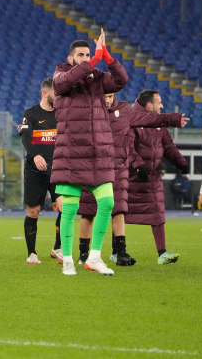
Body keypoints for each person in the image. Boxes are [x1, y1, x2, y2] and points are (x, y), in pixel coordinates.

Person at [77, 92, 186, 267]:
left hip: (119, 169)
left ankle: (120, 252)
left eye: (111, 96)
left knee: (119, 209)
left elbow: (155, 127)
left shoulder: (124, 112)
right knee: (89, 211)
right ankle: (83, 254)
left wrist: (173, 120)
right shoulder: (87, 111)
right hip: (94, 168)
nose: (108, 99)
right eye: (105, 96)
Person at [52, 30, 128, 276]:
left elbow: (121, 81)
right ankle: (67, 260)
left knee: (107, 203)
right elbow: (65, 82)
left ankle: (94, 256)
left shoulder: (97, 78)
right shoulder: (60, 76)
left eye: (88, 54)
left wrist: (107, 57)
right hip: (72, 154)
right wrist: (93, 61)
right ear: (70, 58)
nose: (86, 58)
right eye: (81, 55)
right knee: (70, 210)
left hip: (98, 154)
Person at [125, 90, 189, 265]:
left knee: (157, 213)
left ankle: (162, 253)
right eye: (159, 103)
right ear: (149, 105)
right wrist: (137, 165)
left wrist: (181, 163)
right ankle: (118, 251)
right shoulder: (131, 120)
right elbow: (127, 147)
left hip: (152, 176)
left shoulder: (159, 124)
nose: (162, 106)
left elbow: (168, 146)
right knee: (119, 213)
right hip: (131, 176)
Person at [19, 78, 62, 265]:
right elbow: (26, 138)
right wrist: (36, 156)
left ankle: (57, 248)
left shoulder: (62, 114)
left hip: (58, 169)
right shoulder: (31, 113)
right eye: (55, 92)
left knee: (65, 208)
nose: (58, 96)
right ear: (45, 93)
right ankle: (32, 254)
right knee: (33, 211)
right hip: (35, 170)